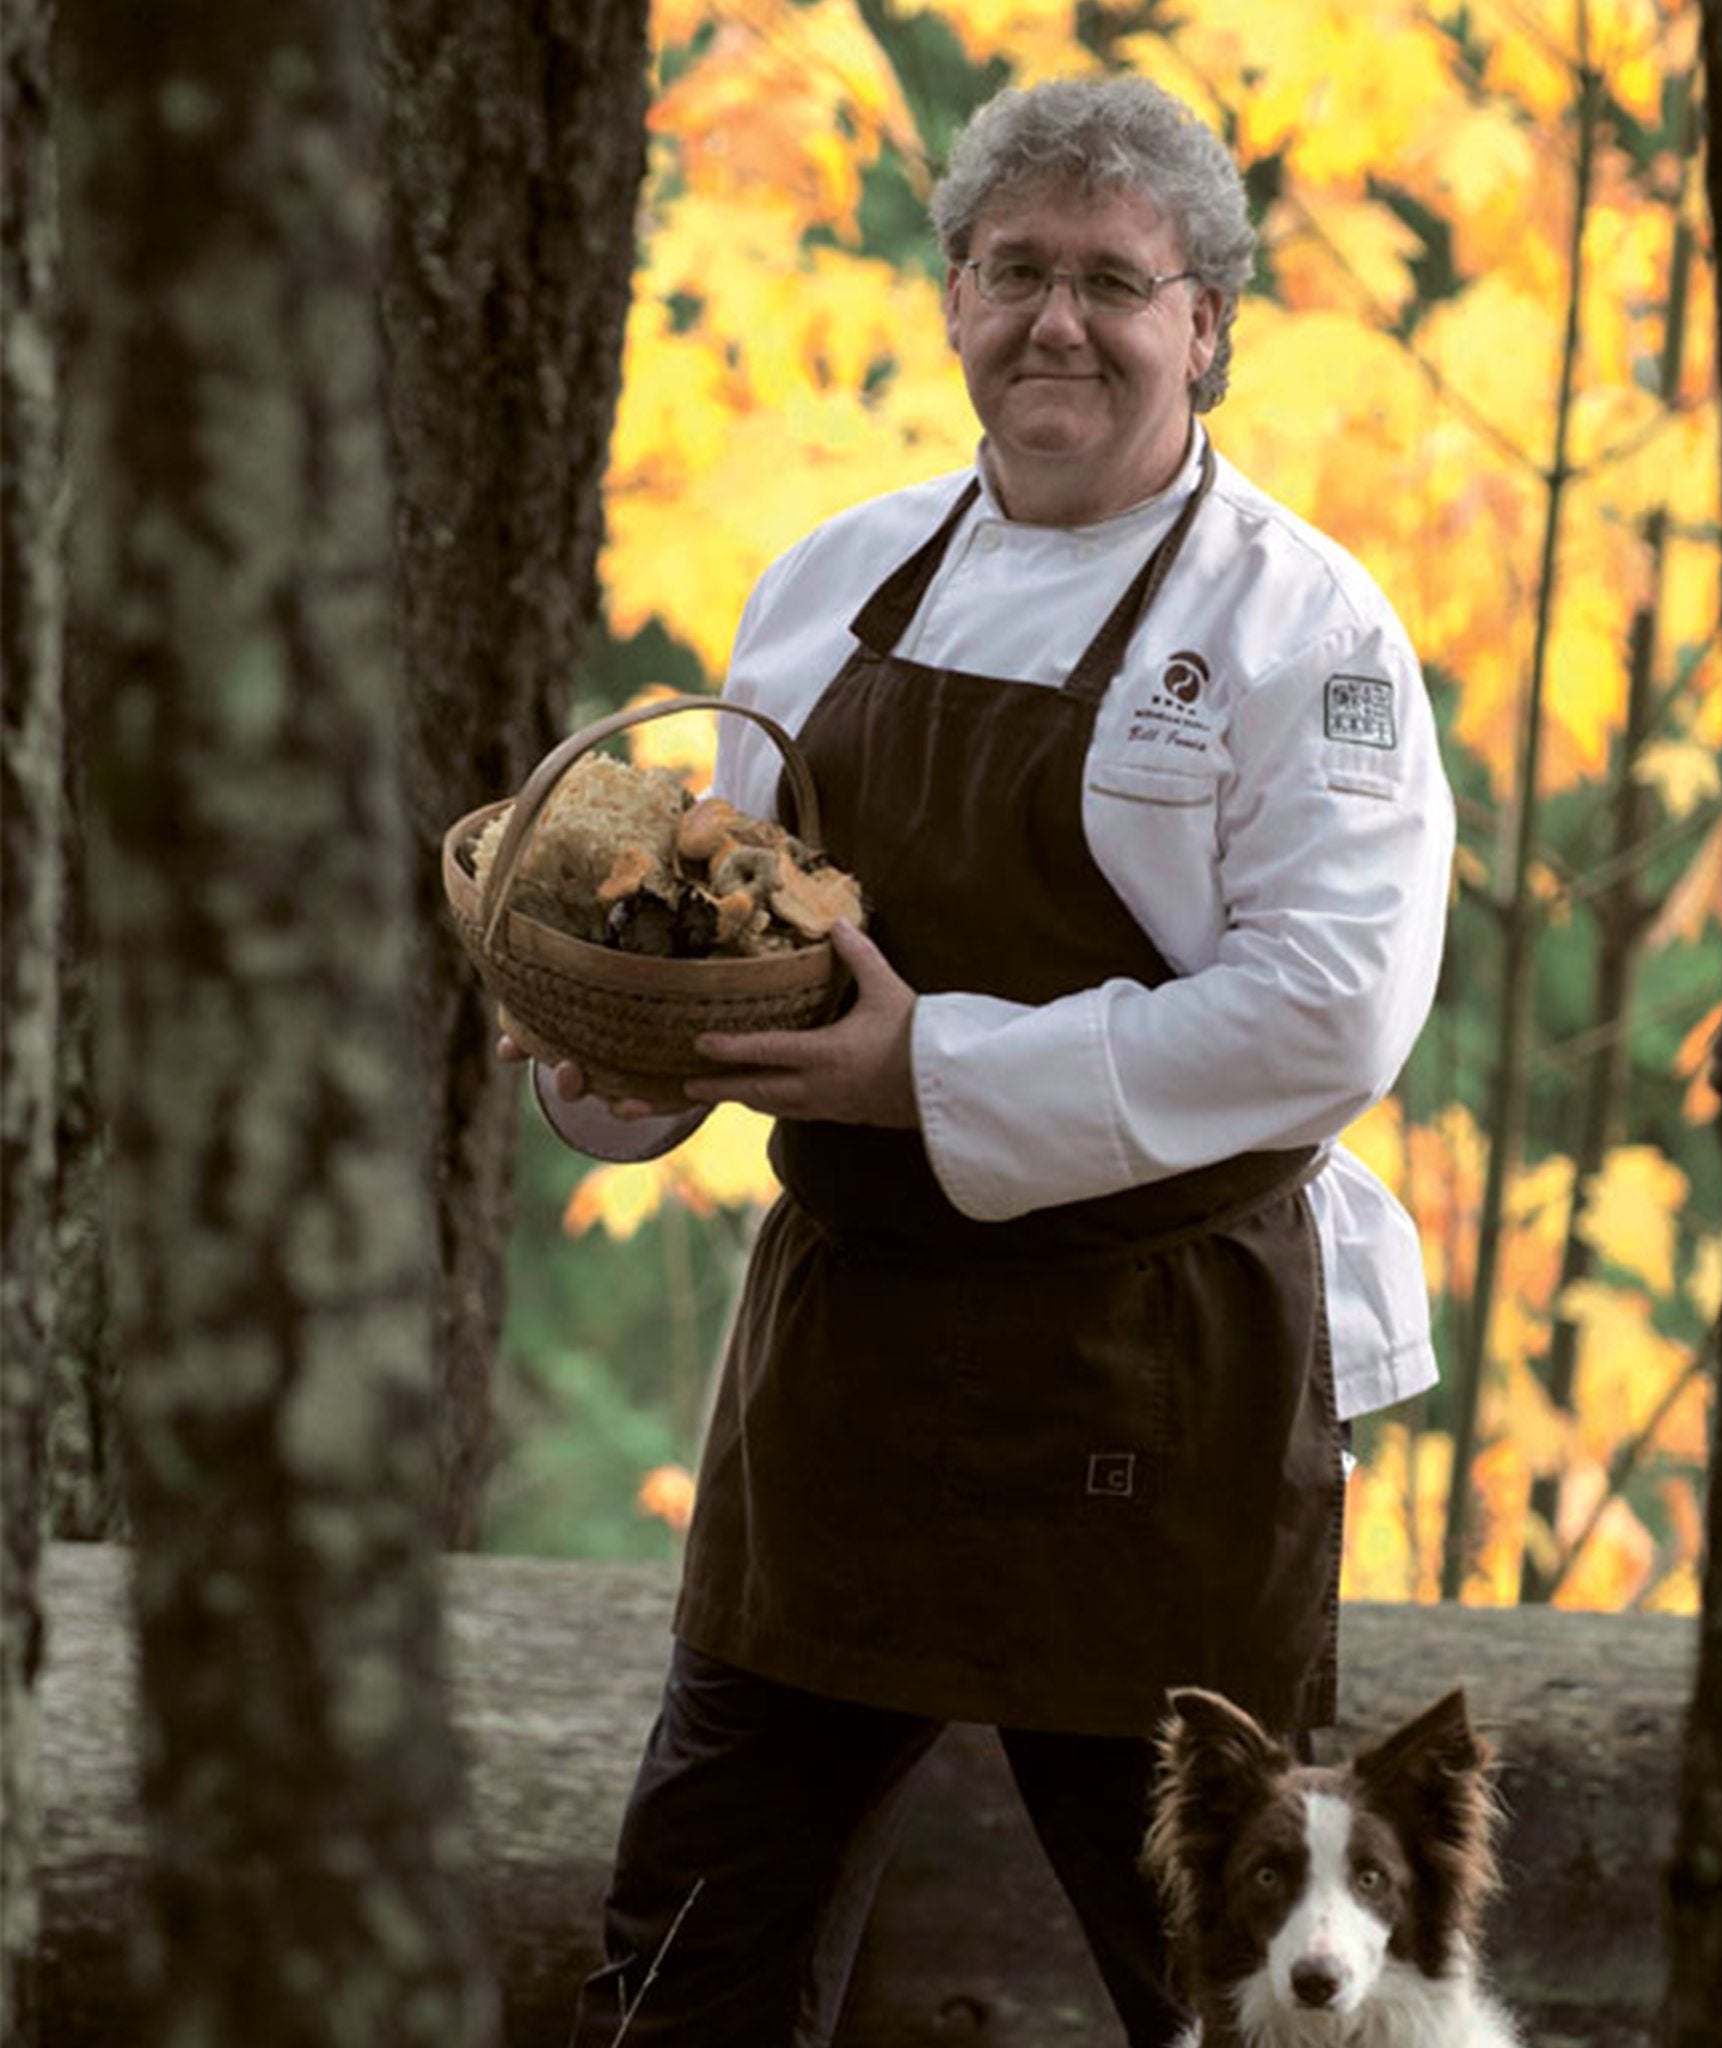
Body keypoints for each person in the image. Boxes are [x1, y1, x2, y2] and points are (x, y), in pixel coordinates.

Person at [513, 72, 1456, 2048]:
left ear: (1207, 323)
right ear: (949, 298)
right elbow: (732, 926)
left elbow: (1328, 1012)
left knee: (1232, 1997)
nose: (1057, 320)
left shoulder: (1311, 638)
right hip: (845, 1372)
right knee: (683, 1970)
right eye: (1012, 269)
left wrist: (920, 1074)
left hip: (1158, 1392)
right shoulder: (825, 585)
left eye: (1115, 281)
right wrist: (626, 1065)